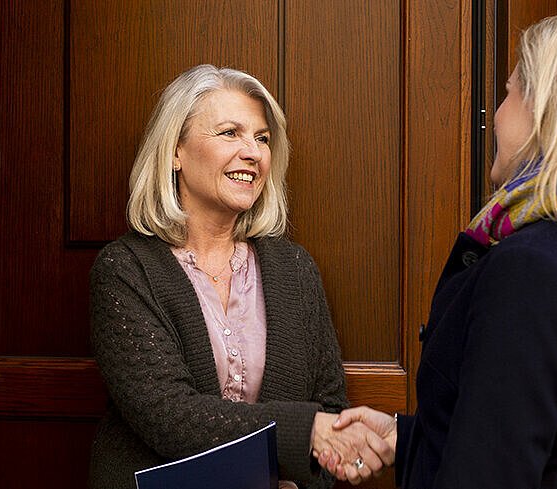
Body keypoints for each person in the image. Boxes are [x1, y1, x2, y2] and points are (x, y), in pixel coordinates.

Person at [320, 13, 557, 488]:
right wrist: (407, 439)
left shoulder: (532, 269)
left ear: (548, 110)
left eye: (509, 93)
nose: (498, 115)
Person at [89, 64, 392, 489]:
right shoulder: (125, 269)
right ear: (175, 152)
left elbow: (329, 407)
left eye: (262, 139)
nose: (253, 152)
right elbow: (168, 415)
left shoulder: (295, 269)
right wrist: (303, 433)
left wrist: (307, 477)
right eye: (230, 133)